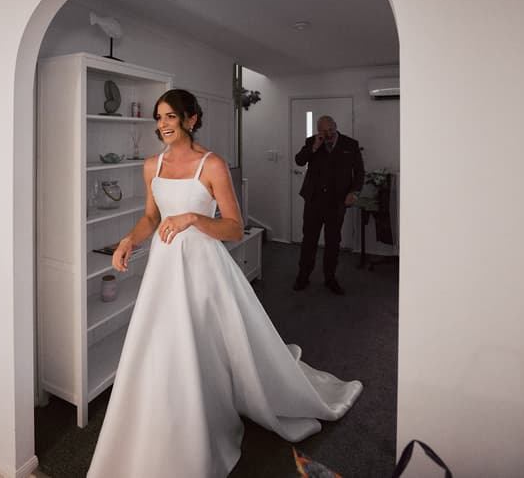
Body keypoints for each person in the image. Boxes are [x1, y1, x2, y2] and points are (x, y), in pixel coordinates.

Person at [87, 90, 363, 478]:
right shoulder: (152, 165)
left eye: (170, 116)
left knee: (208, 340)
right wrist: (129, 240)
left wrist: (193, 218)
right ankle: (168, 417)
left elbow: (234, 228)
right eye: (159, 117)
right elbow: (151, 217)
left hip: (202, 266)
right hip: (164, 267)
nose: (163, 124)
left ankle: (208, 409)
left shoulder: (212, 164)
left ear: (191, 119)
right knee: (164, 342)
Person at [293, 115, 364, 295]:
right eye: (324, 131)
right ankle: (303, 276)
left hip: (337, 202)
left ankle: (330, 278)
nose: (328, 134)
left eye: (331, 129)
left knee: (333, 241)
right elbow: (299, 161)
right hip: (314, 201)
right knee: (309, 240)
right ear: (318, 131)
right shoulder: (312, 142)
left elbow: (359, 172)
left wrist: (354, 192)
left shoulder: (350, 144)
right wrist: (314, 147)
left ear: (336, 126)